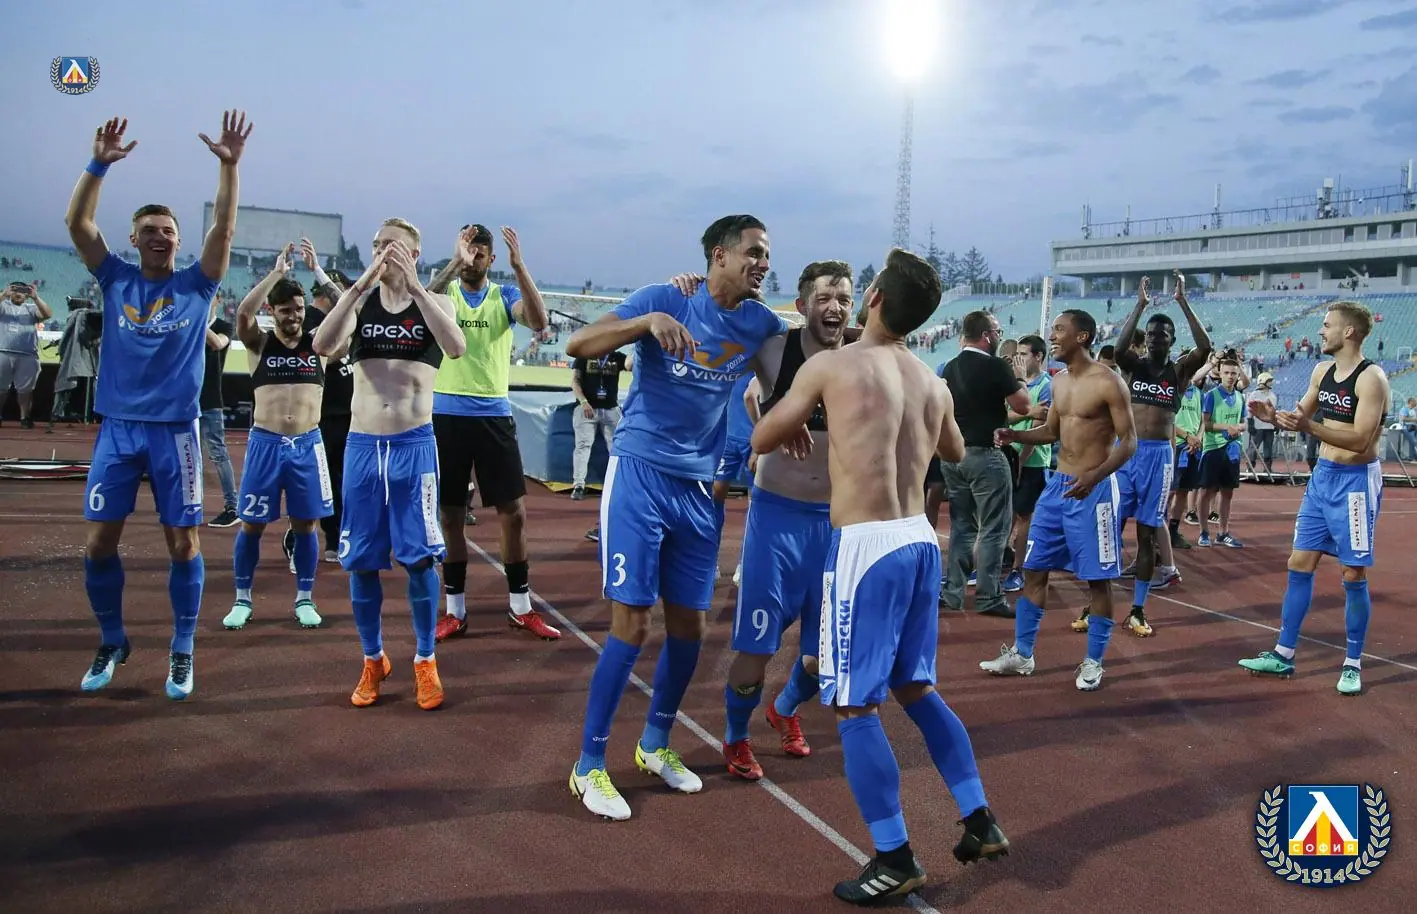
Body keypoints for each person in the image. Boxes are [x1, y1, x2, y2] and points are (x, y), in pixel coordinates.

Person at [751, 248, 1008, 905]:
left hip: (865, 547)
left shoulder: (831, 364)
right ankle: (978, 817)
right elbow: (954, 449)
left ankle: (893, 855)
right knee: (915, 687)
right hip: (918, 540)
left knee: (853, 705)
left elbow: (763, 437)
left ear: (872, 298)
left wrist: (771, 405)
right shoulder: (930, 379)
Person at [562, 214, 789, 821]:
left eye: (767, 254)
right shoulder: (666, 297)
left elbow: (786, 381)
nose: (764, 263)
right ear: (719, 255)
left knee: (690, 627)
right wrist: (646, 323)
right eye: (754, 252)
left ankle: (655, 744)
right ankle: (588, 764)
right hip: (639, 472)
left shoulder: (761, 323)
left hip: (698, 489)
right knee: (633, 623)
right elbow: (577, 345)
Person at [67, 112, 250, 699]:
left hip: (176, 435)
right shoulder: (115, 279)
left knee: (184, 544)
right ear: (134, 239)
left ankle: (182, 646)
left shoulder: (198, 285)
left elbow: (224, 228)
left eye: (167, 229)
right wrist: (98, 164)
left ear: (177, 240)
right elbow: (78, 223)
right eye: (148, 229)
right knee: (98, 544)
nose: (158, 236)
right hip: (119, 431)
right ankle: (113, 640)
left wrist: (229, 167)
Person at [311, 218, 468, 711]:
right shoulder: (360, 303)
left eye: (392, 247)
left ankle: (425, 659)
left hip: (413, 446)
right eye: (377, 245)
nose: (382, 253)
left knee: (419, 559)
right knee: (360, 561)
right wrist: (358, 286)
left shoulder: (435, 303)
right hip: (362, 447)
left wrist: (418, 288)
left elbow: (456, 347)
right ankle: (372, 658)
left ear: (414, 254)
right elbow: (322, 346)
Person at [720, 260, 851, 782]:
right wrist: (770, 425)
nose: (835, 307)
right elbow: (727, 320)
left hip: (835, 523)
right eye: (824, 298)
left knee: (824, 658)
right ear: (802, 306)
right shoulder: (776, 349)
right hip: (776, 519)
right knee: (756, 646)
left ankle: (785, 708)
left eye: (844, 298)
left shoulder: (860, 357)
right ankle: (736, 735)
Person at [981, 309, 1137, 691]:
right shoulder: (1059, 382)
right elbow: (1052, 431)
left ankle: (1093, 661)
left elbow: (1129, 442)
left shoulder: (1109, 382)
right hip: (1057, 489)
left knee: (1097, 580)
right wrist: (1016, 435)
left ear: (1082, 336)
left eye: (1059, 330)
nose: (1051, 336)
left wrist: (1094, 475)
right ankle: (1022, 654)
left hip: (1095, 491)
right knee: (1034, 569)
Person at [1240, 301, 1390, 695]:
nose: (1320, 331)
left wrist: (1310, 426)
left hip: (1355, 483)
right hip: (1322, 478)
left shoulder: (1371, 379)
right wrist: (1274, 417)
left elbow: (1361, 440)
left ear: (1348, 332)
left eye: (1327, 325)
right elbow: (1299, 417)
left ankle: (1352, 664)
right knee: (1299, 562)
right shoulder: (1321, 371)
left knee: (1352, 573)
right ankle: (1283, 653)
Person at [425, 224, 560, 643]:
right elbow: (419, 303)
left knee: (513, 512)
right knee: (449, 514)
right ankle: (455, 611)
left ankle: (520, 607)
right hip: (446, 415)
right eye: (468, 251)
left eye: (480, 253)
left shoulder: (503, 295)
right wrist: (454, 261)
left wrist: (520, 266)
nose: (473, 258)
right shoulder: (445, 292)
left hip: (493, 415)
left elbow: (538, 320)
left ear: (492, 258)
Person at [222, 245, 336, 632]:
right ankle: (242, 599)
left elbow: (349, 313)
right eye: (286, 309)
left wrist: (318, 271)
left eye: (299, 308)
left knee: (306, 526)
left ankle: (304, 598)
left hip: (307, 443)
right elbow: (242, 314)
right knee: (251, 525)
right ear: (273, 311)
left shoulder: (319, 344)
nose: (295, 315)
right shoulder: (260, 343)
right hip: (266, 444)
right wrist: (275, 274)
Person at [1100, 273, 1211, 637]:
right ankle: (1097, 601)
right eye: (1149, 334)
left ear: (1171, 340)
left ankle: (1138, 608)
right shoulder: (1134, 366)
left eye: (1161, 335)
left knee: (1147, 533)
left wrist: (1182, 301)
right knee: (1110, 525)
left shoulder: (1179, 371)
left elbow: (1205, 347)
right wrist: (1140, 305)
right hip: (1128, 452)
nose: (1154, 338)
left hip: (1159, 457)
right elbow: (1118, 351)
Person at [938, 311, 1031, 618]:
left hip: (955, 456)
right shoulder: (995, 366)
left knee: (962, 526)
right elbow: (1024, 405)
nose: (999, 337)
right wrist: (1020, 377)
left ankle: (952, 593)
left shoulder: (950, 367)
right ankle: (989, 596)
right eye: (997, 332)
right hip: (986, 456)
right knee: (993, 528)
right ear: (987, 335)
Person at [1000, 335, 1053, 595]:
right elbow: (1001, 416)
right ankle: (1001, 557)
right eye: (1017, 354)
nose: (1018, 359)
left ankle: (1018, 569)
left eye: (1024, 354)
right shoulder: (1013, 383)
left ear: (1038, 356)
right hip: (1008, 456)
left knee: (1024, 516)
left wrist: (1020, 462)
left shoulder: (1046, 386)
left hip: (1032, 462)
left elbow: (1038, 426)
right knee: (1005, 513)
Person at [199, 292, 239, 527]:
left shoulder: (224, 326)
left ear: (218, 300)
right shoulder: (189, 324)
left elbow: (217, 343)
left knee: (218, 453)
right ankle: (190, 503)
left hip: (211, 399)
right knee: (188, 456)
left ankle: (232, 505)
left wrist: (194, 318)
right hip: (185, 400)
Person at [1197, 358, 1246, 548]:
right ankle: (1203, 532)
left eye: (1233, 373)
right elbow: (1206, 424)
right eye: (1226, 373)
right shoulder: (1211, 395)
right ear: (1220, 373)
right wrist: (1227, 427)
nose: (1230, 376)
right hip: (1213, 449)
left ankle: (1223, 533)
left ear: (1238, 375)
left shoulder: (1240, 397)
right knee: (1206, 492)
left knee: (1227, 492)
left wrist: (1238, 428)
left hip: (1232, 449)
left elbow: (1243, 422)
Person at [569, 349, 630, 500]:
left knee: (617, 448)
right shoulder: (584, 355)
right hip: (586, 409)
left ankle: (619, 484)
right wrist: (583, 402)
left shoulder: (617, 357)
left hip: (611, 409)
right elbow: (575, 381)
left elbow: (632, 365)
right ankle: (578, 485)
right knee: (583, 446)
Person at [0, 281, 52, 428]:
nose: (18, 294)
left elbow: (47, 314)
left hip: (27, 354)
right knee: (0, 388)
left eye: (22, 291)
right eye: (15, 290)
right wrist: (4, 295)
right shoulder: (3, 305)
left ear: (27, 295)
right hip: (3, 352)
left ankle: (25, 417)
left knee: (26, 390)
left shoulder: (31, 308)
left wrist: (36, 297)